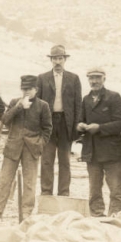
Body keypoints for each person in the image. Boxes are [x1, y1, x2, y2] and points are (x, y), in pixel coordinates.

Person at [0, 75, 52, 220]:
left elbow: (47, 129)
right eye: (24, 88)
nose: (26, 91)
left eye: (29, 89)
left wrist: (40, 144)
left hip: (32, 148)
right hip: (13, 146)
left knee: (29, 182)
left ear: (36, 89)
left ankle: (26, 211)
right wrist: (18, 107)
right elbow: (5, 120)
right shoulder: (15, 102)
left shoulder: (43, 105)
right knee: (5, 179)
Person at [77, 67, 121, 217]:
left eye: (98, 78)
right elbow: (81, 120)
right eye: (91, 78)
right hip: (91, 152)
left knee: (116, 190)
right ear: (88, 80)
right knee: (94, 190)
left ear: (104, 79)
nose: (94, 81)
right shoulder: (85, 99)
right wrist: (79, 126)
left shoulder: (114, 97)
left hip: (112, 152)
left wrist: (99, 128)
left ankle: (117, 217)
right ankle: (97, 216)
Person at [37, 45, 82, 197]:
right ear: (51, 60)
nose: (57, 62)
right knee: (47, 160)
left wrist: (76, 128)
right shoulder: (42, 78)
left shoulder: (74, 78)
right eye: (54, 58)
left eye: (60, 58)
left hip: (65, 124)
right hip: (47, 124)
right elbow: (37, 104)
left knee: (65, 162)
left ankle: (64, 194)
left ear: (65, 60)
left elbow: (78, 104)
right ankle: (46, 193)